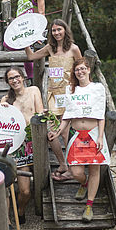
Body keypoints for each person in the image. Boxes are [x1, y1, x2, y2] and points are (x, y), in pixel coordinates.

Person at [48, 57, 110, 222]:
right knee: (76, 172)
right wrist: (58, 131)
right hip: (77, 135)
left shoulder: (97, 88)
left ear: (89, 70)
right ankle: (84, 183)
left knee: (95, 170)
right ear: (74, 73)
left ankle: (89, 206)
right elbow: (67, 116)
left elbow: (101, 115)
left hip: (93, 133)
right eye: (77, 70)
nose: (80, 72)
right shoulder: (71, 89)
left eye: (83, 68)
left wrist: (100, 137)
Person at [25, 19, 82, 180]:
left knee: (65, 132)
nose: (57, 33)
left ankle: (72, 168)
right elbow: (31, 56)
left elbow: (81, 69)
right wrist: (24, 41)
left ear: (65, 30)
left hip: (68, 95)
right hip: (53, 95)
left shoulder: (73, 49)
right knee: (51, 132)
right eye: (54, 30)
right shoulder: (50, 48)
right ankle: (62, 163)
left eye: (59, 30)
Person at [0, 66, 43, 228]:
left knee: (34, 187)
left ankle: (21, 210)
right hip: (18, 145)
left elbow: (39, 113)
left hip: (35, 141)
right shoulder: (6, 100)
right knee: (24, 190)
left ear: (23, 77)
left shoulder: (33, 91)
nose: (15, 80)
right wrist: (3, 107)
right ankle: (14, 215)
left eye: (17, 76)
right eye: (11, 78)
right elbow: (1, 123)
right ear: (7, 82)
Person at [5, 0, 45, 81]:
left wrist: (39, 31)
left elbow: (42, 11)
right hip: (19, 25)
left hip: (30, 25)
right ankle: (30, 75)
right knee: (8, 44)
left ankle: (32, 78)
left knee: (25, 47)